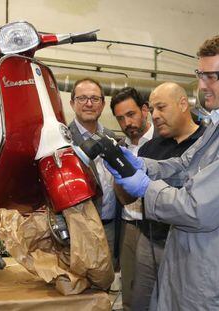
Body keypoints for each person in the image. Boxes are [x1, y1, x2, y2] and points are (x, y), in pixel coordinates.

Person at [105, 32, 219, 310]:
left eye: (210, 76)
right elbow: (185, 166)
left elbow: (197, 208)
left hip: (215, 276)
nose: (201, 85)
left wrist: (145, 187)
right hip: (192, 263)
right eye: (200, 74)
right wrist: (143, 166)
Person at [131, 82, 205, 311]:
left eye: (161, 107)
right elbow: (129, 198)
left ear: (183, 104)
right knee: (142, 302)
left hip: (190, 245)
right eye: (152, 110)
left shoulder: (208, 144)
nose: (154, 116)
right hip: (150, 240)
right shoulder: (148, 150)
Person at [110, 87, 154, 311]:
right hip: (128, 227)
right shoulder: (120, 148)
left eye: (131, 114)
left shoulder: (163, 141)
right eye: (120, 118)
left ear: (144, 110)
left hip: (157, 231)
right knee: (130, 294)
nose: (127, 122)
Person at [68, 78, 119, 260]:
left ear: (103, 104)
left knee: (106, 283)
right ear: (72, 103)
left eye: (95, 99)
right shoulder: (63, 140)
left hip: (110, 228)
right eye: (82, 98)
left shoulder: (112, 137)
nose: (89, 104)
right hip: (77, 231)